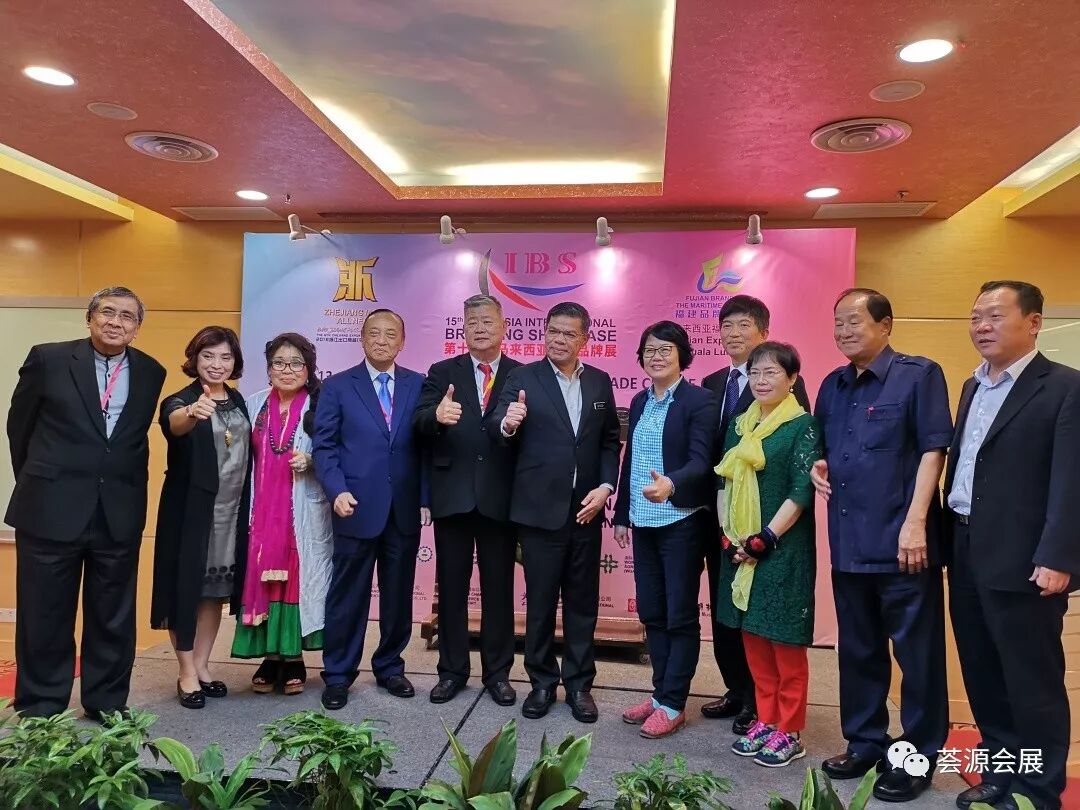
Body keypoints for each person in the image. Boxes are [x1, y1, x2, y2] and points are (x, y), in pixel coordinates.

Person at [811, 288, 952, 803]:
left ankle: (917, 756)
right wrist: (819, 465)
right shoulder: (832, 385)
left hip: (903, 546)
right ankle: (866, 741)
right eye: (838, 322)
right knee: (859, 651)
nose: (844, 331)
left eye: (854, 321)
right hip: (849, 543)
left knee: (918, 657)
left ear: (886, 325)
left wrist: (916, 523)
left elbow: (933, 451)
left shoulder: (919, 375)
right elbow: (827, 449)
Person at [944, 281, 1080, 810]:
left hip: (1026, 558)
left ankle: (1039, 791)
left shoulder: (1064, 386)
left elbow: (1071, 480)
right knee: (983, 671)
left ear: (1034, 322)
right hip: (965, 544)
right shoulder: (972, 386)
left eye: (996, 316)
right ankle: (1002, 772)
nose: (982, 326)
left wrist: (1058, 556)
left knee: (1031, 680)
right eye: (976, 316)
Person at [5, 287, 166, 720]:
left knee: (113, 614)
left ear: (137, 327)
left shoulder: (151, 371)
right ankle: (41, 704)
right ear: (90, 317)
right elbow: (19, 428)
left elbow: (130, 442)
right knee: (44, 612)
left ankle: (107, 701)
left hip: (118, 510)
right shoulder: (49, 359)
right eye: (107, 312)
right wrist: (41, 482)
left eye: (127, 316)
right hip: (50, 508)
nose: (116, 322)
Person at [491, 301, 621, 723]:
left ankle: (580, 685)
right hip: (539, 512)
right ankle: (542, 682)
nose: (558, 340)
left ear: (584, 339)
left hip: (586, 510)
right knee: (541, 603)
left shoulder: (599, 381)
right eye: (552, 331)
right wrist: (509, 422)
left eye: (568, 333)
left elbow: (609, 441)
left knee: (582, 604)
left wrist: (606, 487)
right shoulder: (522, 378)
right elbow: (498, 424)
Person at [700, 295, 810, 735]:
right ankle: (738, 690)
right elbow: (716, 461)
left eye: (743, 324)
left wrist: (764, 535)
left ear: (763, 330)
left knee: (768, 620)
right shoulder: (713, 383)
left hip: (771, 527)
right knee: (730, 612)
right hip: (724, 520)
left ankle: (763, 708)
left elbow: (797, 467)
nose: (733, 333)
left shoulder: (790, 398)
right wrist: (726, 528)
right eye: (727, 325)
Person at [313, 309, 430, 711]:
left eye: (390, 334)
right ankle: (338, 674)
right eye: (374, 333)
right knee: (348, 594)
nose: (382, 340)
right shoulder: (337, 387)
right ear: (362, 339)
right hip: (354, 506)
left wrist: (426, 497)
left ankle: (390, 667)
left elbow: (428, 447)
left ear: (402, 342)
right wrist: (336, 491)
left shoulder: (419, 384)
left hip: (403, 507)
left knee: (398, 594)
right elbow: (325, 445)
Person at [714, 342, 822, 767]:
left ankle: (790, 730)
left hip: (782, 549)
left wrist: (765, 538)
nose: (761, 381)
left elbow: (801, 490)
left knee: (784, 641)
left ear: (792, 379)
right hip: (740, 549)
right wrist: (729, 537)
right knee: (754, 638)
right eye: (755, 373)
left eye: (772, 373)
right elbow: (723, 481)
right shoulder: (740, 425)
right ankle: (766, 717)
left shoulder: (802, 425)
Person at [414, 295, 521, 706]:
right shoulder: (442, 372)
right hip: (453, 495)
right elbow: (419, 421)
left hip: (500, 497)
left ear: (503, 327)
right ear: (463, 328)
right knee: (452, 590)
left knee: (499, 590)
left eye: (487, 321)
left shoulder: (521, 373)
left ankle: (498, 674)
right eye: (472, 321)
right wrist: (435, 417)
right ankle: (452, 672)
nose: (479, 327)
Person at [614, 321, 718, 739]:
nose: (656, 357)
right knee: (652, 612)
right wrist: (622, 513)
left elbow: (702, 461)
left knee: (679, 615)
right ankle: (659, 696)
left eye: (665, 349)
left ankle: (674, 702)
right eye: (650, 350)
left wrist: (671, 483)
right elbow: (631, 460)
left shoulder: (699, 401)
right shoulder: (640, 400)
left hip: (681, 521)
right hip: (643, 522)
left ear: (682, 355)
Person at [152, 326, 251, 709]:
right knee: (186, 590)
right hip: (191, 514)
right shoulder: (180, 400)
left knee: (213, 594)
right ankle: (186, 672)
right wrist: (193, 412)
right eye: (208, 356)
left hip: (231, 514)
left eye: (225, 357)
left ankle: (203, 665)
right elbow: (176, 423)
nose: (217, 364)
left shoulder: (238, 400)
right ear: (194, 359)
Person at [231, 333, 333, 696]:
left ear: (309, 368)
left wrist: (314, 460)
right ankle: (269, 657)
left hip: (301, 511)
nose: (287, 370)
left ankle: (293, 658)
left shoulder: (321, 404)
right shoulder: (253, 404)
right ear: (268, 368)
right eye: (278, 363)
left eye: (295, 363)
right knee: (264, 580)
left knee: (296, 580)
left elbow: (341, 449)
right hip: (261, 515)